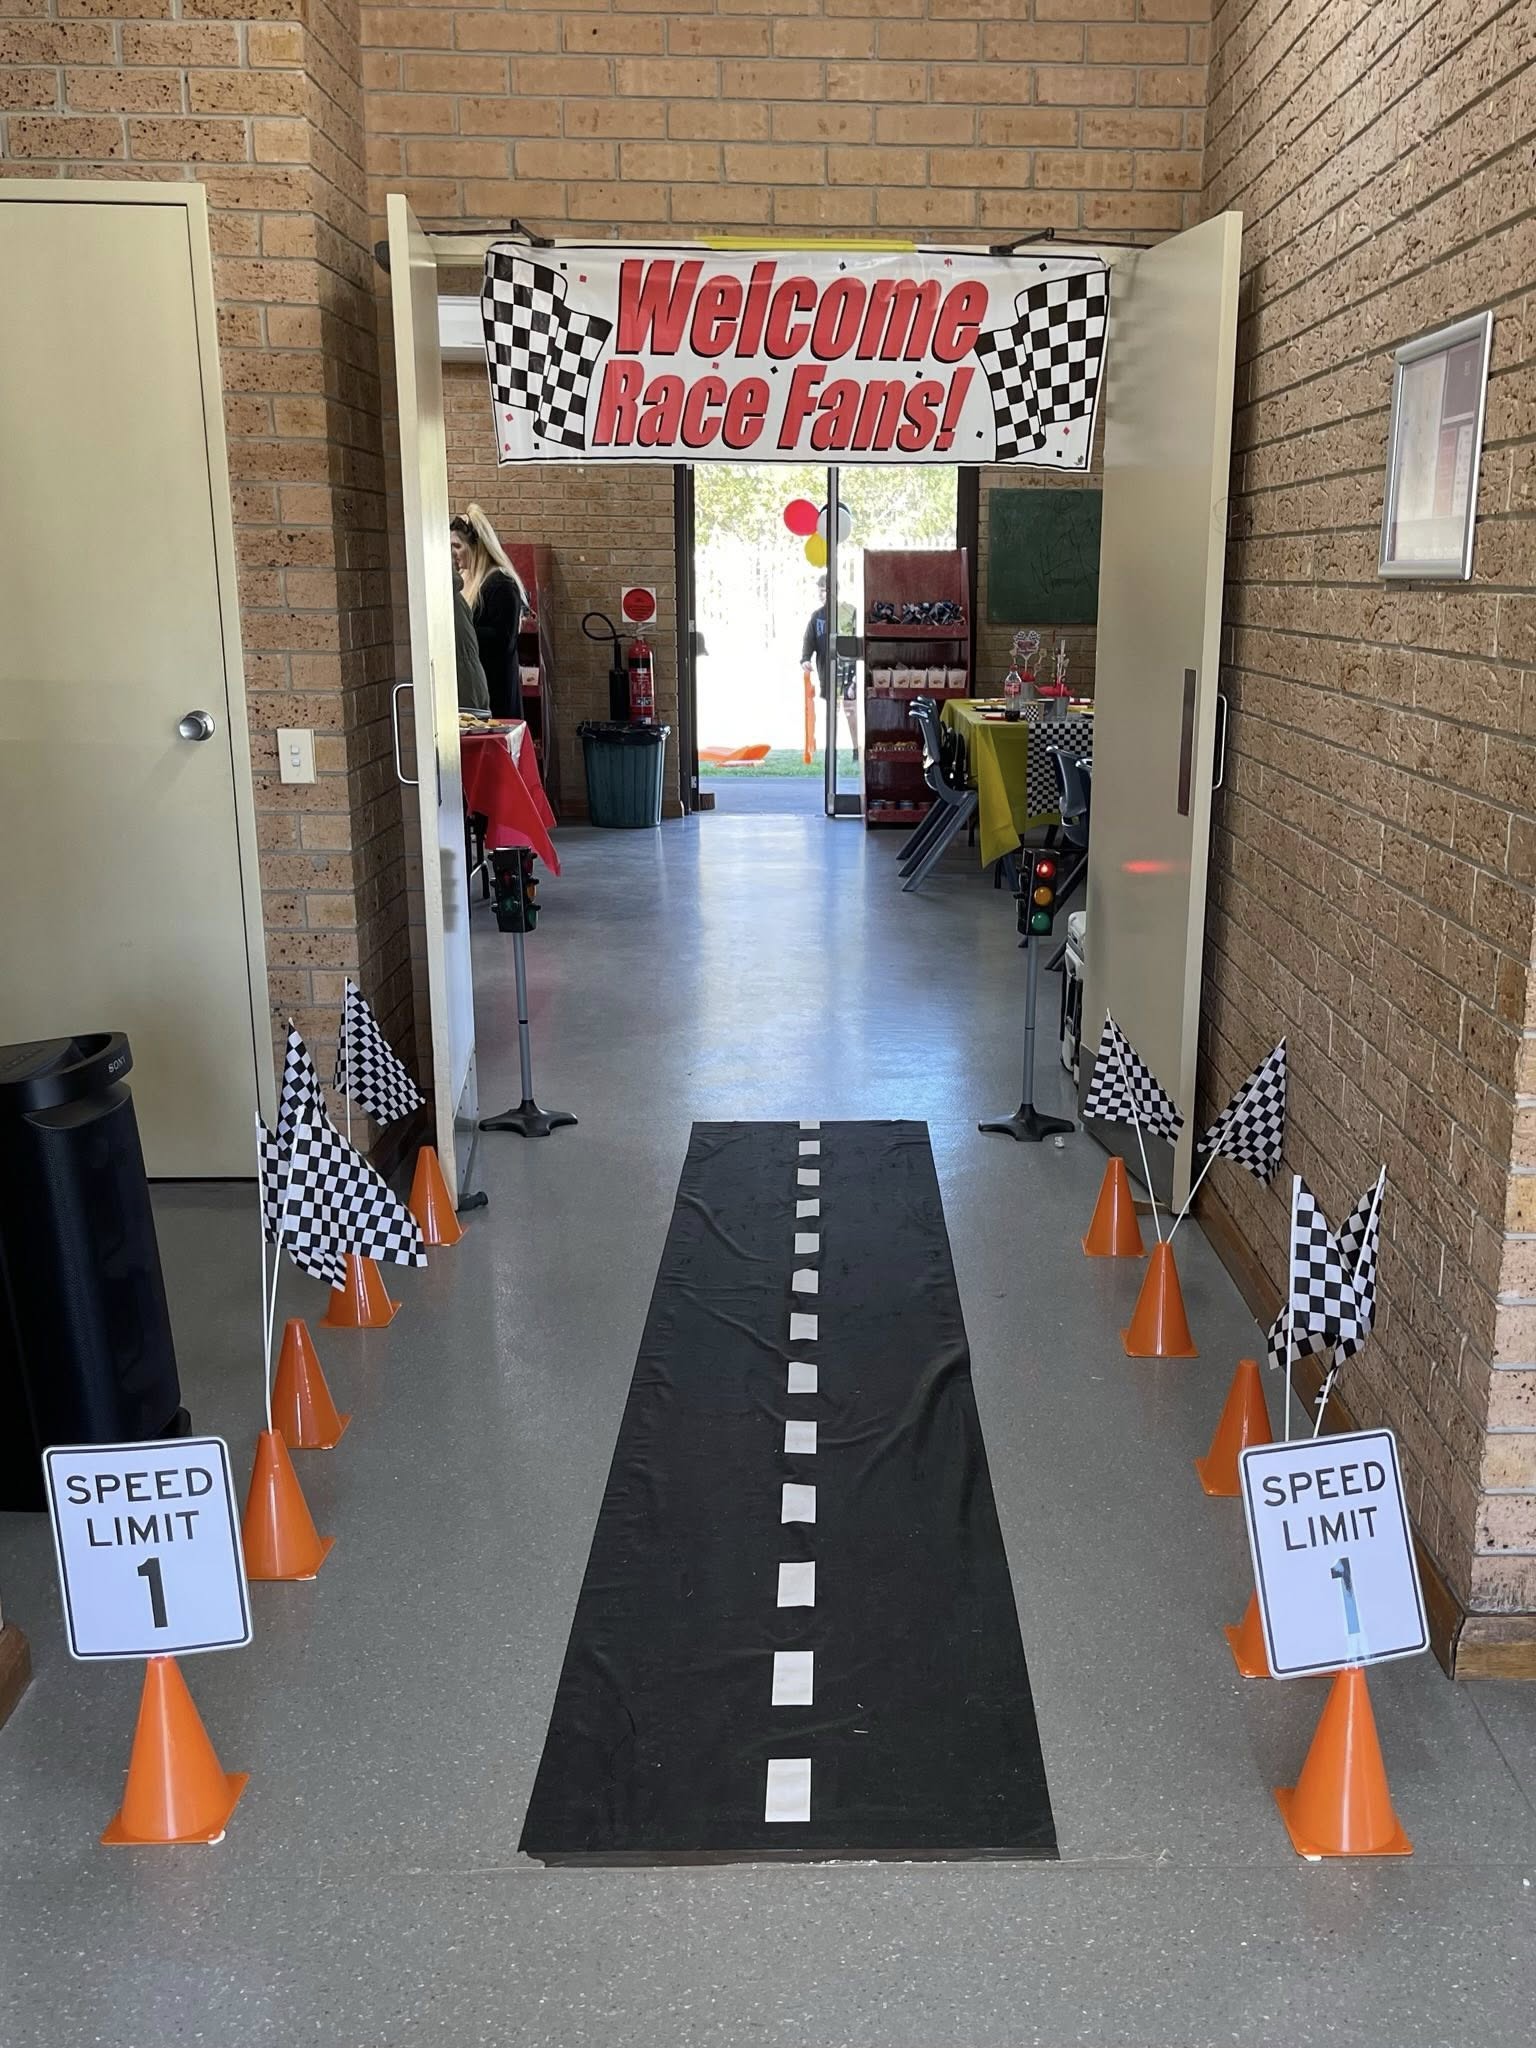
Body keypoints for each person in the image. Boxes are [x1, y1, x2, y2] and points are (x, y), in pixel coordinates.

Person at [450, 504, 528, 719]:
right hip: (479, 691)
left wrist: (462, 633)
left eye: (457, 546)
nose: (453, 553)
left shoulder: (502, 583)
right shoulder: (469, 581)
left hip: (497, 694)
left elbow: (503, 640)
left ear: (476, 547)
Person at [799, 574, 859, 760]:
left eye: (824, 589)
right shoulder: (817, 617)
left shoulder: (850, 612)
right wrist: (805, 659)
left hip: (849, 671)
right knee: (832, 711)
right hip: (828, 671)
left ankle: (857, 749)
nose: (821, 593)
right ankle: (831, 750)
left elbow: (859, 641)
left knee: (850, 709)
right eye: (819, 590)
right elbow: (808, 641)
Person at [453, 567, 490, 714]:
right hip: (472, 686)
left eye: (457, 546)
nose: (455, 554)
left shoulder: (449, 599)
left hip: (466, 690)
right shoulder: (457, 599)